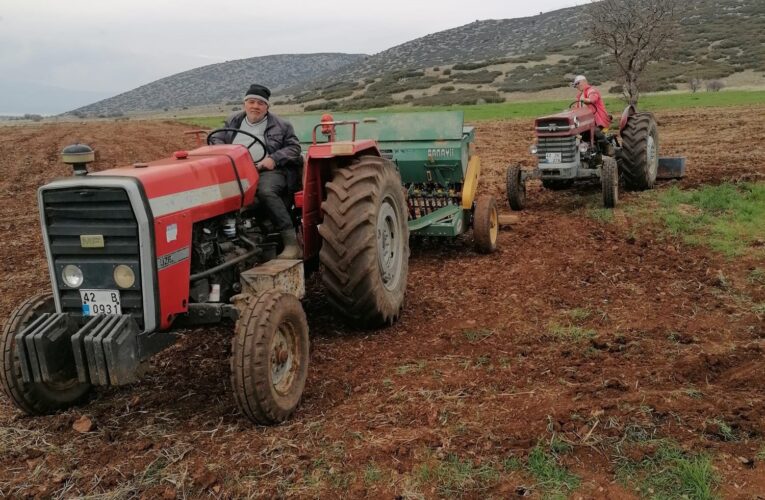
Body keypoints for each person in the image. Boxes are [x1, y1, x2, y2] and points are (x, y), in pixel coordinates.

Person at [211, 84, 303, 259]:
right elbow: (217, 137)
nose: (255, 106)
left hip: (269, 170)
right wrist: (222, 152)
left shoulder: (281, 125)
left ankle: (291, 243)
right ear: (244, 104)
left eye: (260, 103)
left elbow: (294, 148)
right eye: (251, 102)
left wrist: (273, 159)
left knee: (265, 191)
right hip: (237, 170)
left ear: (267, 107)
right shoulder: (233, 120)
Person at [572, 75, 613, 155]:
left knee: (594, 130)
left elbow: (593, 99)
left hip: (597, 120)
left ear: (584, 81)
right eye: (575, 85)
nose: (577, 86)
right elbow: (578, 110)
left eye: (578, 83)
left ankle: (607, 146)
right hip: (584, 123)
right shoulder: (579, 96)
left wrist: (587, 100)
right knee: (574, 134)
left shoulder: (591, 90)